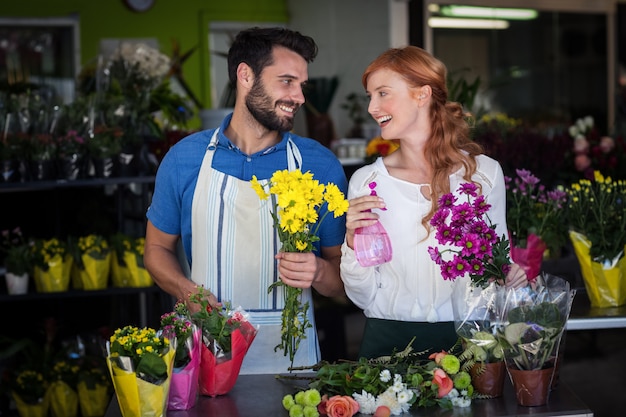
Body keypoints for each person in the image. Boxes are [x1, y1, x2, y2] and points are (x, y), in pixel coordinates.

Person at [144, 27, 348, 374]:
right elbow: (155, 250)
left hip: (293, 368)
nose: (299, 96)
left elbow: (344, 283)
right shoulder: (185, 159)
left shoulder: (320, 165)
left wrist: (319, 272)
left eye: (302, 85)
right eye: (286, 81)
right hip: (208, 355)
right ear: (245, 75)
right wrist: (185, 290)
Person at [340, 46, 528, 359]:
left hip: (469, 343)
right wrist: (351, 244)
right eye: (370, 96)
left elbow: (495, 273)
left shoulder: (484, 174)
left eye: (383, 93)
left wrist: (509, 274)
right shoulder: (367, 182)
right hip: (387, 343)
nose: (373, 107)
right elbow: (362, 295)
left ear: (422, 94)